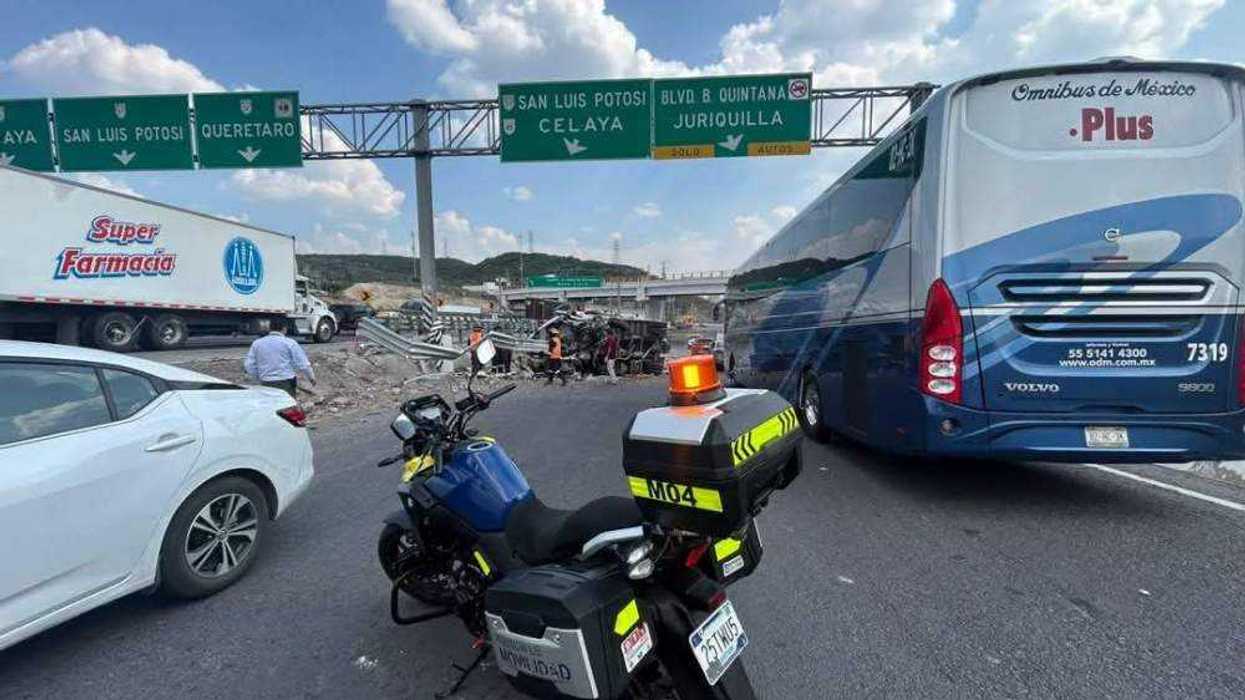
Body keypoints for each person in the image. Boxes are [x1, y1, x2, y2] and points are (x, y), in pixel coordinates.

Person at [243, 325, 316, 398]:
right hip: (286, 383)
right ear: (284, 329)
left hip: (266, 383)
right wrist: (311, 378)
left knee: (270, 407)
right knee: (286, 407)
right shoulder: (290, 343)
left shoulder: (257, 343)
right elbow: (303, 364)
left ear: (269, 329)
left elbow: (249, 365)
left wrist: (258, 378)